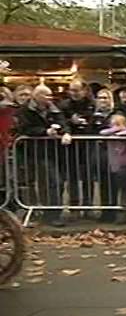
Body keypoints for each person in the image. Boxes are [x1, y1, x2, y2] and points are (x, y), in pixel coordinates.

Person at [17, 85, 72, 226]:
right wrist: (44, 132)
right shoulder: (25, 110)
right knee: (52, 182)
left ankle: (51, 213)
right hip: (35, 152)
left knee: (56, 183)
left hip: (56, 151)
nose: (50, 98)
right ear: (37, 96)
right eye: (46, 95)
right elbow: (25, 128)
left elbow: (63, 122)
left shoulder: (54, 108)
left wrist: (66, 132)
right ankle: (51, 215)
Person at [60, 79, 97, 216]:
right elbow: (61, 120)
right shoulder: (64, 105)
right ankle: (74, 206)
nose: (73, 93)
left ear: (84, 90)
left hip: (88, 144)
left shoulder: (92, 104)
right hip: (70, 146)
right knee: (72, 177)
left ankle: (88, 206)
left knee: (88, 176)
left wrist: (86, 123)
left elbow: (95, 122)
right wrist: (71, 122)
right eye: (71, 90)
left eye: (76, 90)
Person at [99, 114, 126, 224]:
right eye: (113, 124)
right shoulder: (109, 134)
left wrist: (119, 132)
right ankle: (112, 213)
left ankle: (125, 213)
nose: (116, 127)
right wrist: (114, 130)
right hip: (113, 165)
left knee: (125, 190)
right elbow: (102, 133)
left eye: (119, 124)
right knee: (113, 189)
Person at [91, 89, 117, 222]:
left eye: (106, 98)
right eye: (100, 98)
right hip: (99, 153)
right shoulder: (93, 116)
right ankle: (105, 211)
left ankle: (115, 211)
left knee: (114, 183)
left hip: (115, 152)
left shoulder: (116, 114)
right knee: (102, 184)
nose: (103, 100)